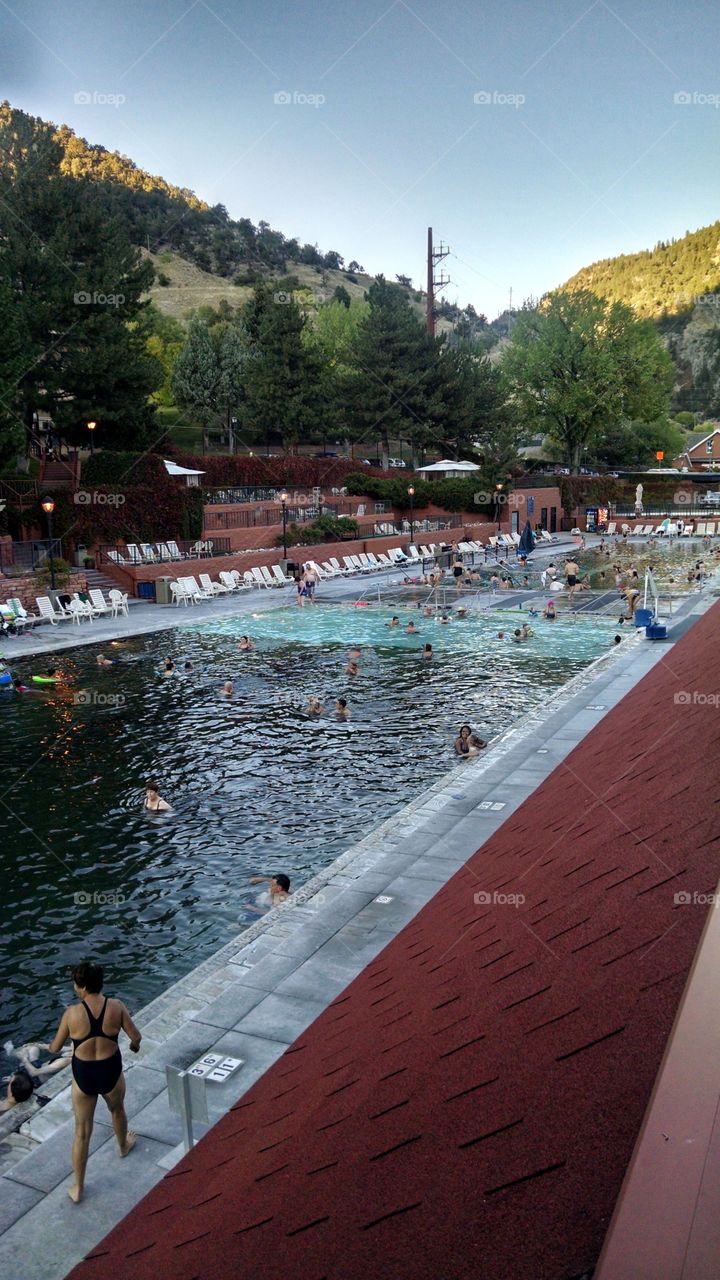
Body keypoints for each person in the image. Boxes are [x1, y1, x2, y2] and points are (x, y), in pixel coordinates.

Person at [47, 961, 141, 1203]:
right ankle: (123, 1147)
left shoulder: (72, 1013)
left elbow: (55, 1048)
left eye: (75, 984)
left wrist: (52, 1045)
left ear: (82, 986)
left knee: (82, 1132)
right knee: (117, 1110)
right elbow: (136, 1037)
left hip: (84, 1075)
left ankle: (78, 1188)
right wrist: (134, 1047)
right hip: (110, 1071)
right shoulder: (116, 1006)